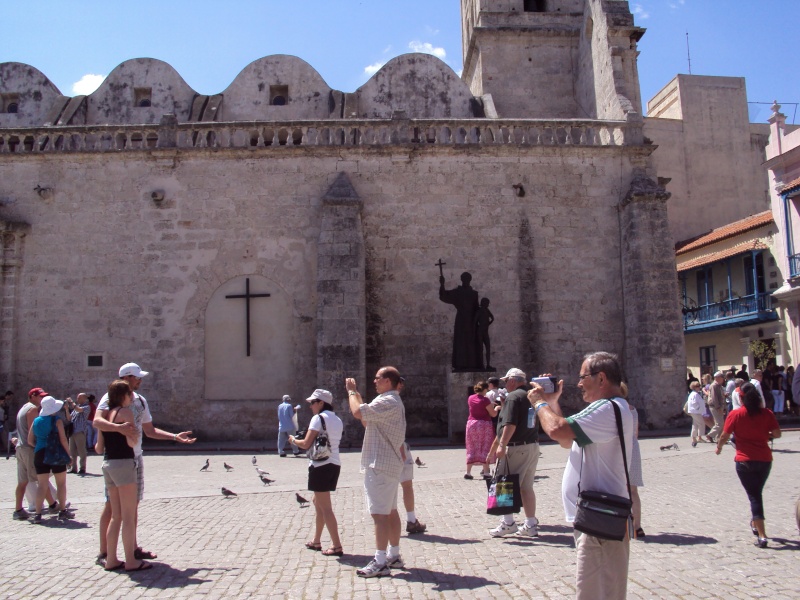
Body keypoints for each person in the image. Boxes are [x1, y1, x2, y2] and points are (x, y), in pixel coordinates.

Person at [529, 351, 634, 600]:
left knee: (594, 592)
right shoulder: (610, 409)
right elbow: (568, 440)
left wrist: (539, 403)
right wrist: (554, 402)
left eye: (583, 376)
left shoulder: (606, 408)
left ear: (601, 378)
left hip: (600, 520)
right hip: (597, 517)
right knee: (604, 589)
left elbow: (556, 429)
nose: (578, 384)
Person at [93, 362, 196, 564]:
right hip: (119, 457)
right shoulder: (110, 398)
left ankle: (132, 549)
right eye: (137, 377)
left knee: (132, 507)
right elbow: (97, 421)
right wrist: (120, 428)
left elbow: (149, 430)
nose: (140, 380)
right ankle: (105, 553)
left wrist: (175, 437)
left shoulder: (140, 400)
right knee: (112, 508)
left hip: (135, 457)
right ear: (126, 378)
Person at [346, 366, 406, 578]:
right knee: (390, 511)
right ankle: (394, 555)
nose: (374, 381)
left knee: (380, 514)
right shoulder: (389, 401)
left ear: (388, 381)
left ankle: (380, 561)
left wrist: (351, 392)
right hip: (386, 463)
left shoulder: (387, 400)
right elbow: (366, 418)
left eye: (378, 378)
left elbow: (357, 412)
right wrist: (359, 397)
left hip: (380, 464)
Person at [715, 382, 781, 548]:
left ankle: (762, 535)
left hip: (745, 461)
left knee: (754, 496)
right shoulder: (767, 413)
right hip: (765, 460)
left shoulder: (736, 415)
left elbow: (724, 435)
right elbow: (777, 434)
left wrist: (719, 448)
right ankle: (755, 523)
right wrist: (765, 434)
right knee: (757, 493)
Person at [96, 380, 151, 571]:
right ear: (123, 396)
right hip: (124, 464)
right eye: (130, 395)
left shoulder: (106, 414)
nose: (132, 397)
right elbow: (132, 441)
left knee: (116, 516)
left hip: (108, 464)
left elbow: (98, 447)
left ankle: (111, 559)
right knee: (128, 517)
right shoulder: (125, 413)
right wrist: (132, 434)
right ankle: (131, 560)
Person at [289, 389, 344, 557]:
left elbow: (306, 444)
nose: (311, 406)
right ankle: (316, 540)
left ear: (321, 403)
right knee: (318, 503)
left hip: (320, 465)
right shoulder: (338, 419)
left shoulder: (318, 418)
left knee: (326, 508)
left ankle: (336, 545)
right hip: (334, 464)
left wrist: (293, 440)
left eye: (313, 402)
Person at [490, 368, 540, 538]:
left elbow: (510, 424)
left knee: (504, 484)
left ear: (512, 380)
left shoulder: (513, 397)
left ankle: (508, 522)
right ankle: (531, 523)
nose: (505, 385)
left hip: (515, 447)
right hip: (532, 445)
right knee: (526, 487)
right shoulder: (532, 395)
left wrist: (502, 445)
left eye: (506, 381)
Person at [12, 388, 56, 520]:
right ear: (32, 396)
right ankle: (52, 506)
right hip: (29, 449)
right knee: (41, 479)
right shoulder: (32, 410)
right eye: (40, 397)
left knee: (23, 481)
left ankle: (18, 509)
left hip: (20, 448)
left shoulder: (23, 408)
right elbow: (34, 430)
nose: (42, 399)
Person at [27, 396, 73, 524]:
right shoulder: (57, 421)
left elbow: (30, 440)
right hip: (56, 453)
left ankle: (38, 514)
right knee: (61, 483)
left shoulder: (36, 421)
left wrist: (39, 446)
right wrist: (69, 455)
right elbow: (63, 439)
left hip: (40, 453)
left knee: (42, 485)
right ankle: (62, 510)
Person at [397, 377, 426, 535]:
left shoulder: (385, 400)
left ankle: (411, 520)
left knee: (405, 486)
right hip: (398, 449)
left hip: (394, 448)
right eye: (399, 383)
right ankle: (409, 521)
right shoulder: (394, 401)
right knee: (403, 486)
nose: (401, 385)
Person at [439, 272, 480, 370]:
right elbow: (444, 296)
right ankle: (460, 364)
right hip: (461, 320)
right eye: (464, 278)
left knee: (471, 342)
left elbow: (476, 308)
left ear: (470, 280)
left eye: (467, 278)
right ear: (462, 279)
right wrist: (442, 284)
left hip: (471, 321)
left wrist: (478, 322)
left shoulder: (474, 294)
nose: (466, 280)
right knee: (460, 342)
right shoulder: (457, 292)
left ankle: (473, 364)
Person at [465, 381, 499, 480]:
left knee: (471, 447)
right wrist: (496, 408)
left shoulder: (470, 398)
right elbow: (493, 414)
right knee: (485, 446)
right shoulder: (485, 400)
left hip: (471, 424)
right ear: (485, 389)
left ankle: (468, 472)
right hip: (484, 424)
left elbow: (477, 405)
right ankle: (486, 472)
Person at [67, 393, 91, 474]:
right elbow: (70, 418)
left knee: (81, 451)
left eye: (79, 398)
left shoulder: (86, 407)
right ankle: (73, 468)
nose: (77, 399)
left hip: (80, 431)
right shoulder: (75, 407)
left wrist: (71, 402)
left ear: (84, 398)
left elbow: (79, 410)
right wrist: (66, 409)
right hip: (72, 432)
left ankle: (82, 468)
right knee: (72, 451)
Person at [706, 371, 726, 443]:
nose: (723, 379)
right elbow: (714, 398)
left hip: (719, 406)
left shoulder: (718, 385)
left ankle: (719, 438)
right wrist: (718, 408)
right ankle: (710, 435)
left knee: (721, 423)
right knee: (719, 423)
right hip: (715, 407)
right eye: (722, 377)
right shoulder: (714, 385)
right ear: (717, 378)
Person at [475, 297, 494, 370]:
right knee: (480, 348)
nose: (488, 304)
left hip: (485, 331)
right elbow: (475, 321)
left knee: (488, 348)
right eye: (487, 303)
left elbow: (492, 317)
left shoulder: (486, 310)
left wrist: (488, 323)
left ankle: (488, 365)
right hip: (480, 331)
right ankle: (481, 365)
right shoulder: (479, 311)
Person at [686, 381, 706, 446]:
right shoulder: (695, 394)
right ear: (694, 387)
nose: (699, 387)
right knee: (701, 423)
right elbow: (694, 403)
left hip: (695, 411)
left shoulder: (694, 394)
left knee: (695, 425)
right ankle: (699, 437)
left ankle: (694, 438)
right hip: (696, 412)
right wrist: (698, 408)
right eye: (698, 386)